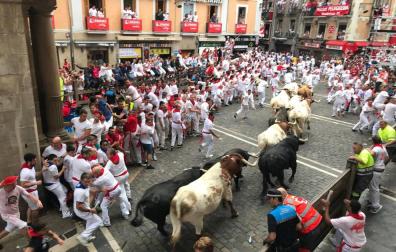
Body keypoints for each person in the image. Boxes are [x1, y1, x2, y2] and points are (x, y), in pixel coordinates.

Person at [0, 176, 43, 248]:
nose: (15, 185)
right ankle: (33, 245)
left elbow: (29, 195)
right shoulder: (1, 192)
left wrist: (38, 201)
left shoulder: (18, 188)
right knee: (23, 225)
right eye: (12, 184)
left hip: (16, 213)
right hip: (7, 215)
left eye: (15, 183)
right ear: (6, 185)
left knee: (9, 229)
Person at [277, 188, 324, 252]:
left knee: (304, 248)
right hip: (319, 221)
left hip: (310, 230)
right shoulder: (294, 198)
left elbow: (299, 227)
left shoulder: (287, 205)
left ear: (281, 197)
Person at [74, 173, 102, 246]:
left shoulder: (83, 186)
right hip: (82, 211)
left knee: (90, 221)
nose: (88, 183)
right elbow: (79, 206)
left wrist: (96, 192)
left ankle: (87, 237)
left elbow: (89, 193)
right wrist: (90, 210)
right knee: (98, 221)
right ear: (81, 180)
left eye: (89, 181)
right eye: (86, 182)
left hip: (84, 207)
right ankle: (83, 236)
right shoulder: (80, 192)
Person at [42, 154, 73, 219]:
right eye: (55, 160)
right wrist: (63, 169)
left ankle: (62, 208)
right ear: (52, 160)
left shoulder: (46, 164)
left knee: (65, 190)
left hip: (49, 183)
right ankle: (65, 214)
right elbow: (56, 176)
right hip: (53, 185)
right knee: (63, 197)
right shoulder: (53, 167)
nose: (57, 162)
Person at [367, 136, 389, 213]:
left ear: (373, 142)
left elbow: (372, 153)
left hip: (376, 170)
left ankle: (376, 206)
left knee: (374, 188)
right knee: (372, 187)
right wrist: (381, 162)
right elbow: (386, 157)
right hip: (380, 168)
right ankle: (371, 201)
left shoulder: (376, 148)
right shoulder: (382, 147)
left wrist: (369, 149)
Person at [20, 153, 42, 225]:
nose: (36, 161)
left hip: (33, 191)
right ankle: (36, 225)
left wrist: (43, 170)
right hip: (29, 193)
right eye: (35, 160)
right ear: (30, 161)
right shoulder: (25, 171)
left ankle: (29, 222)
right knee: (36, 209)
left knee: (31, 207)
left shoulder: (31, 167)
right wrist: (36, 183)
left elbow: (33, 175)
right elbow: (23, 185)